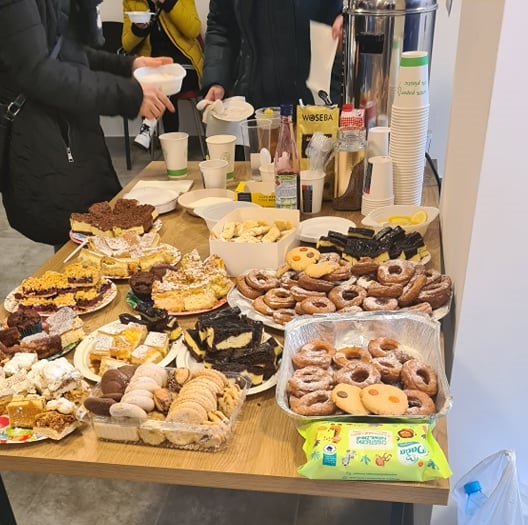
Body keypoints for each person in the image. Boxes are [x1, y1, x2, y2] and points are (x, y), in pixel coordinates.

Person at [0, 0, 175, 247]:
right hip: (40, 137)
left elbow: (68, 53)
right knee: (71, 236)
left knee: (91, 229)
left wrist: (127, 66)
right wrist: (129, 96)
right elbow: (38, 71)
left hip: (74, 133)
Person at [201, 0, 343, 110]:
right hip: (252, 105)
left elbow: (338, 18)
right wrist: (217, 80)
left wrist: (345, 25)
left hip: (314, 105)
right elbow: (222, 28)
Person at [122, 0, 203, 150]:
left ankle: (149, 126)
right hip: (154, 67)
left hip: (185, 64)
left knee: (167, 80)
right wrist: (138, 30)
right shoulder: (132, 1)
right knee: (160, 82)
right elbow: (126, 44)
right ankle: (172, 144)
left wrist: (169, 3)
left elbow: (193, 29)